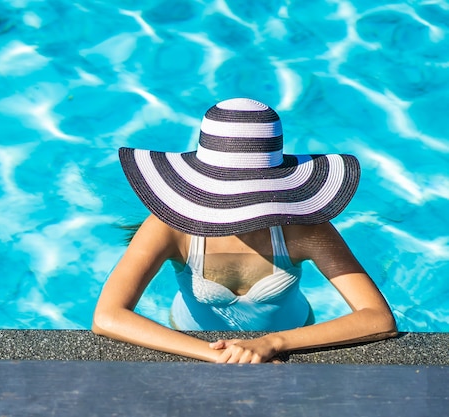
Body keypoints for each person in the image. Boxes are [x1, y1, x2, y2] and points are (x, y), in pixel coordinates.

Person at [92, 98, 397, 364]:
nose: (235, 207)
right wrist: (223, 356)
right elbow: (108, 316)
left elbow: (378, 318)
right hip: (193, 342)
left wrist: (273, 343)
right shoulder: (168, 226)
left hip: (292, 341)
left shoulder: (303, 229)